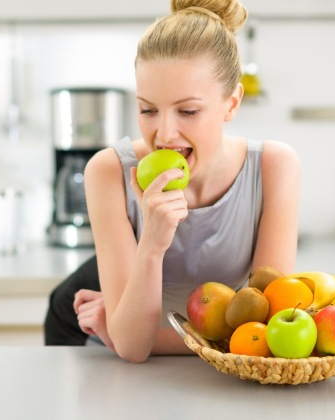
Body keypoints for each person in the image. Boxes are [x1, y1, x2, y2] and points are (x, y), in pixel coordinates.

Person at [44, 0, 300, 363]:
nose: (163, 134)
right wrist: (152, 241)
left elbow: (266, 335)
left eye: (188, 111)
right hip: (90, 341)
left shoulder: (275, 166)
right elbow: (133, 350)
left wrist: (122, 330)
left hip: (130, 338)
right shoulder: (108, 171)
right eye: (147, 109)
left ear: (232, 103)